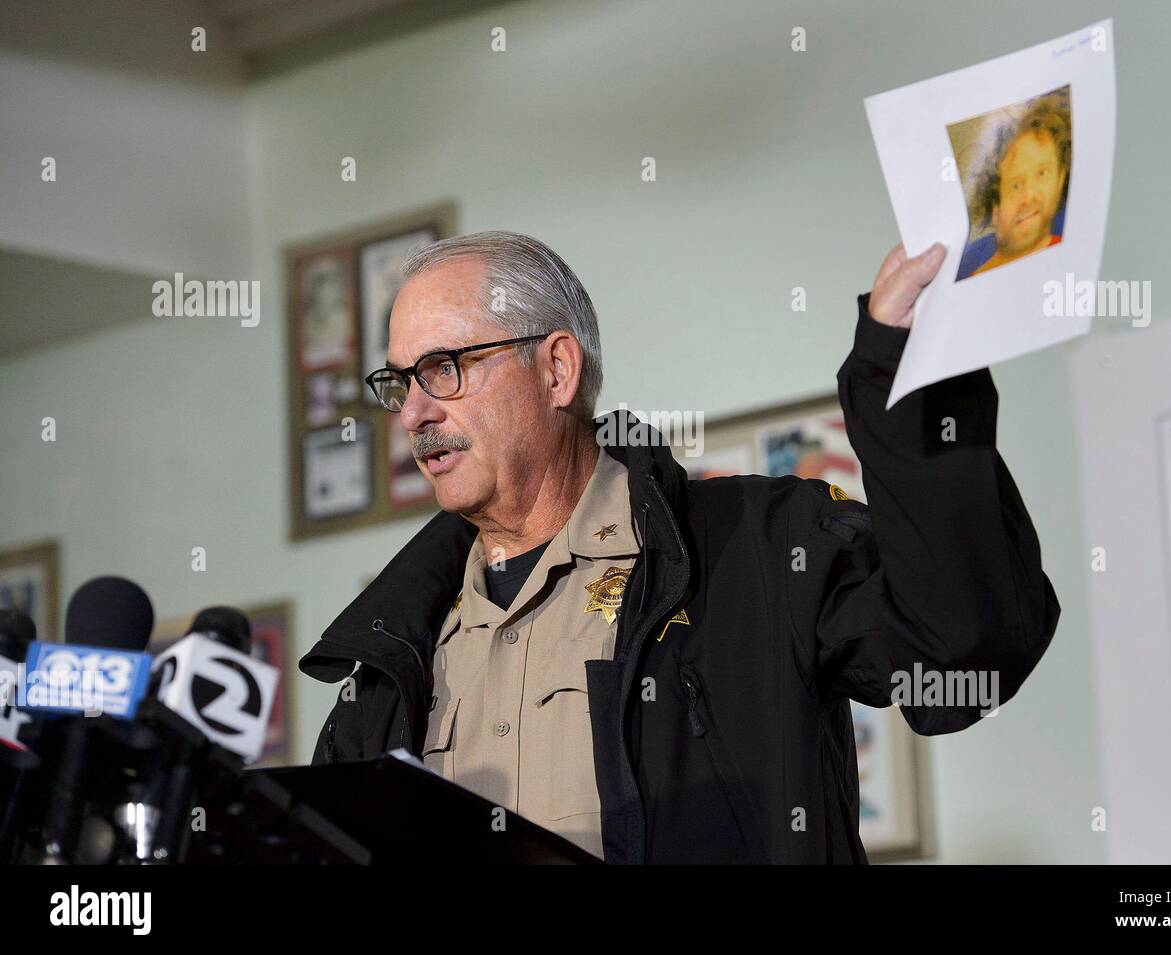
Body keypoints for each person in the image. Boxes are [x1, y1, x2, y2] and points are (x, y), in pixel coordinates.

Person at [300, 231, 1060, 864]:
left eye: (444, 368)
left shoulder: (762, 551)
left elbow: (966, 656)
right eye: (400, 381)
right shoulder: (386, 660)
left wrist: (908, 374)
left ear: (556, 369)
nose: (416, 412)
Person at [969, 96, 1071, 277]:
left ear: (1061, 178)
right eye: (1015, 186)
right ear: (995, 210)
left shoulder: (1068, 259)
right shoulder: (973, 278)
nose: (1029, 196)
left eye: (1042, 174)